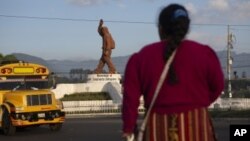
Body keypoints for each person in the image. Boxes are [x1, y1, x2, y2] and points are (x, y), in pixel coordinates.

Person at [122, 3, 224, 141]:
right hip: (198, 129)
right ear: (185, 27)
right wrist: (197, 102)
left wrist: (129, 129)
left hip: (156, 131)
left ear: (161, 29)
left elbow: (130, 100)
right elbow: (217, 86)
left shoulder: (141, 58)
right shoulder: (205, 54)